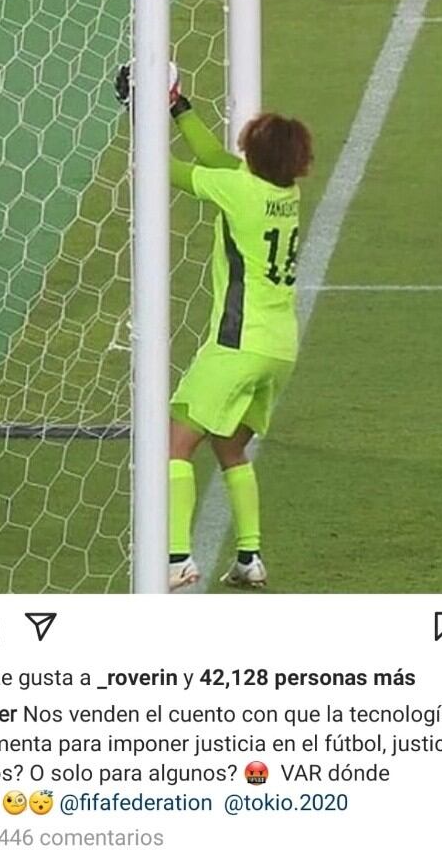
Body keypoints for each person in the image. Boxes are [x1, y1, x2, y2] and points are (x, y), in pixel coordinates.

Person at [115, 65, 312, 591]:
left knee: (173, 443)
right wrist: (176, 105)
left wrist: (139, 111)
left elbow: (166, 170)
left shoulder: (237, 191)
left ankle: (177, 558)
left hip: (237, 344)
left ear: (254, 153)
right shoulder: (285, 193)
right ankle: (249, 557)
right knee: (229, 448)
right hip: (280, 348)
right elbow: (216, 160)